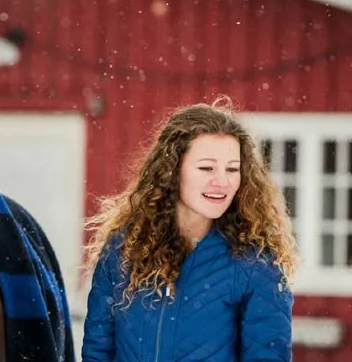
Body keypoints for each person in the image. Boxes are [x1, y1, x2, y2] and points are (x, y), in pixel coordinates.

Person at [82, 97, 298, 362]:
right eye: (206, 167)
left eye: (232, 169)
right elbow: (97, 350)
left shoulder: (256, 265)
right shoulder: (124, 249)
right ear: (172, 170)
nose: (222, 181)